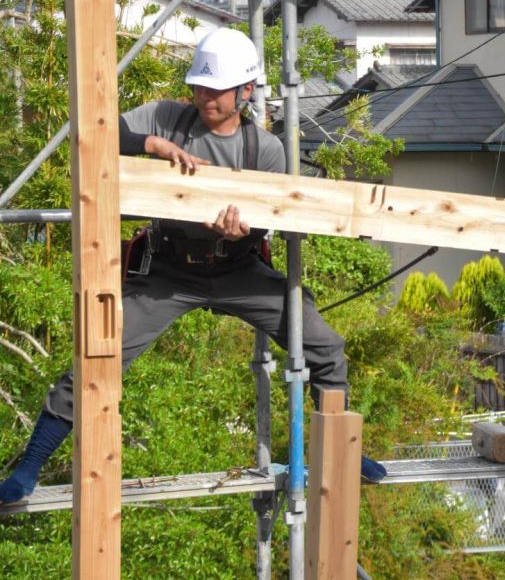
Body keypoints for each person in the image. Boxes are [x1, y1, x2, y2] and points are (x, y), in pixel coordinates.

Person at [0, 28, 385, 506]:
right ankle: (29, 467)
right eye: (200, 87)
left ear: (245, 92)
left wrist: (246, 231)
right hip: (168, 270)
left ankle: (342, 452)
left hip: (237, 269)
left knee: (324, 344)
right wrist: (152, 146)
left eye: (217, 90)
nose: (205, 97)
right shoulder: (166, 118)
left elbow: (270, 219)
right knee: (100, 350)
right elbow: (96, 132)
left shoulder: (263, 149)